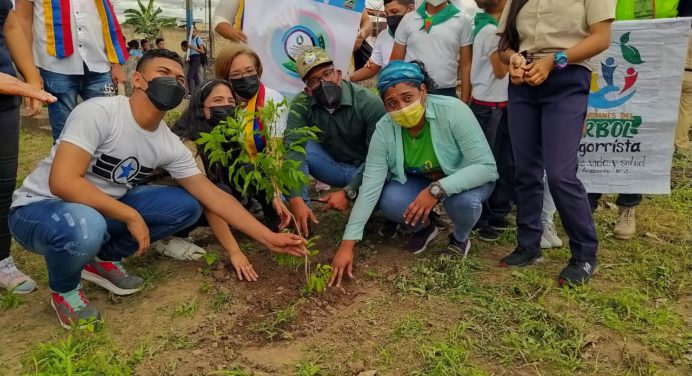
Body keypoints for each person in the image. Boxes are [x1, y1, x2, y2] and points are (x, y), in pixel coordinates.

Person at [8, 49, 306, 329]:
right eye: (163, 72)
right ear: (137, 79)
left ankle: (100, 259)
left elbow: (212, 195)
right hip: (41, 207)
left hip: (103, 207)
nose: (173, 83)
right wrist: (131, 216)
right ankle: (65, 291)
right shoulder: (100, 112)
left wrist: (269, 237)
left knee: (187, 206)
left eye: (179, 79)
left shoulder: (166, 142)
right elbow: (63, 182)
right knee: (87, 225)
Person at [329, 61, 497, 287]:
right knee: (390, 200)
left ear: (423, 92)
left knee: (463, 203)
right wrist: (347, 244)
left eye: (408, 98)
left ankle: (459, 238)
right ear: (385, 106)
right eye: (392, 103)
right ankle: (426, 228)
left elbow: (486, 167)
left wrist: (437, 190)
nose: (402, 108)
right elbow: (370, 185)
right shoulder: (385, 128)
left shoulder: (453, 111)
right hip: (423, 180)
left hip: (468, 178)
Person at [497, 0, 615, 286]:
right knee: (525, 169)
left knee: (561, 174)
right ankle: (528, 245)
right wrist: (513, 59)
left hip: (567, 76)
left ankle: (585, 255)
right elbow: (504, 47)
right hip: (523, 81)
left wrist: (555, 61)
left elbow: (601, 38)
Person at [170, 79, 283, 280]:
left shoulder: (227, 133)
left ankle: (273, 219)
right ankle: (171, 236)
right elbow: (210, 198)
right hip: (179, 199)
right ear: (201, 107)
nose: (226, 106)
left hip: (211, 192)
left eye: (230, 101)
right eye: (218, 100)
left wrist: (274, 196)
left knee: (249, 170)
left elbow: (246, 167)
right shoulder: (187, 141)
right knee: (221, 190)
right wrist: (234, 251)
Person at [283, 47, 386, 237]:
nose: (323, 83)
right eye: (314, 80)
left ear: (338, 74)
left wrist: (349, 192)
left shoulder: (368, 103)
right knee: (299, 149)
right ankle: (304, 218)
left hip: (365, 169)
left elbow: (379, 160)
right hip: (333, 167)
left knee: (389, 201)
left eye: (327, 74)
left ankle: (376, 212)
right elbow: (292, 148)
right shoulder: (302, 104)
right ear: (308, 89)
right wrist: (295, 198)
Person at [0, 0, 57, 294]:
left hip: (5, 93)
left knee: (2, 183)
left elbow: (8, 22)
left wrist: (31, 78)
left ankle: (1, 260)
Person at [15, 0, 128, 141]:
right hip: (55, 67)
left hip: (99, 64)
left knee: (110, 127)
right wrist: (30, 71)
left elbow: (109, 17)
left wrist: (117, 63)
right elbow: (22, 20)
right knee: (64, 134)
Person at [468, 0, 513, 242]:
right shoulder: (490, 31)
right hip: (489, 108)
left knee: (504, 161)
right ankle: (483, 217)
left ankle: (497, 211)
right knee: (487, 163)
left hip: (498, 106)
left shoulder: (485, 26)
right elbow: (500, 70)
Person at [390, 0, 473, 101]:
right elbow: (395, 62)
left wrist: (464, 102)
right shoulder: (408, 20)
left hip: (446, 94)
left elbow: (466, 65)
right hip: (412, 91)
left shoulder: (462, 20)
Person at [350, 0, 415, 83]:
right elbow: (372, 68)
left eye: (395, 12)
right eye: (387, 14)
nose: (390, 18)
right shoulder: (384, 36)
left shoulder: (421, 34)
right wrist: (346, 78)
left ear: (411, 8)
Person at [676, 0, 692, 157]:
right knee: (686, 110)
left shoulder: (680, 30)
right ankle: (680, 144)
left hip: (675, 72)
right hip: (691, 74)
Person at [187, 27, 206, 95]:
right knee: (195, 76)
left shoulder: (198, 39)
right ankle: (198, 92)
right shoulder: (190, 40)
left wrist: (193, 47)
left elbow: (202, 51)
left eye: (194, 31)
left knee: (190, 76)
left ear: (197, 32)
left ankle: (191, 93)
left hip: (196, 58)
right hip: (191, 58)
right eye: (192, 32)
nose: (193, 33)